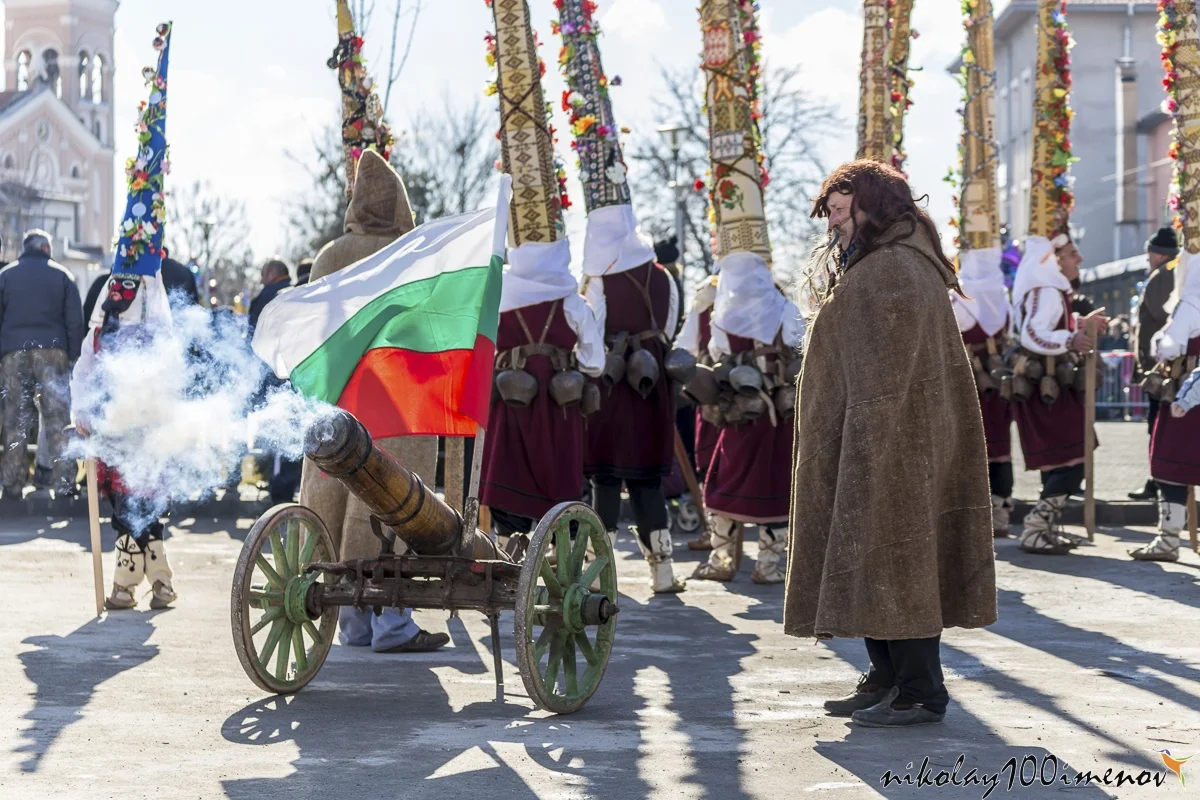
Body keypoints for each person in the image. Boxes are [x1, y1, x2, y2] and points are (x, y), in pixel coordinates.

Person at [784, 160, 997, 727]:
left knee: (899, 558)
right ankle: (885, 676)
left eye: (838, 210)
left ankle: (922, 692)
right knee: (870, 554)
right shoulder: (884, 262)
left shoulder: (896, 269)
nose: (831, 223)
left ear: (872, 208)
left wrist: (870, 445)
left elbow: (893, 378)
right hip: (872, 440)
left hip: (896, 447)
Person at [298, 149, 446, 652]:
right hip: (396, 399)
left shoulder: (328, 256)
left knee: (334, 498)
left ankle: (352, 624)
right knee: (395, 502)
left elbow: (312, 332)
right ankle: (393, 623)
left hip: (337, 396)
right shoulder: (411, 255)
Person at [479, 239, 605, 556]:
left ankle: (510, 559)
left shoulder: (498, 296)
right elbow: (594, 363)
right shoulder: (573, 303)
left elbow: (483, 348)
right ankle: (568, 560)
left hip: (511, 404)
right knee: (561, 475)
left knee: (511, 474)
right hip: (559, 407)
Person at [582, 231, 685, 594]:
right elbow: (669, 328)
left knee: (606, 477)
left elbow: (590, 330)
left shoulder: (600, 278)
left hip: (610, 384)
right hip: (651, 383)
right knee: (647, 478)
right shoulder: (664, 277)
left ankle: (596, 574)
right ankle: (663, 574)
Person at [690, 258, 801, 584]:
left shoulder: (724, 314)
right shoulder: (785, 308)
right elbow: (800, 345)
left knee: (728, 482)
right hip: (778, 414)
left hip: (739, 413)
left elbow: (713, 350)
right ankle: (767, 565)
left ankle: (722, 561)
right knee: (775, 484)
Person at [73, 272, 178, 609]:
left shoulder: (155, 336)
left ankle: (134, 585)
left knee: (142, 507)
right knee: (128, 506)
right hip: (117, 432)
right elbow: (83, 373)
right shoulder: (102, 335)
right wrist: (82, 411)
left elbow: (171, 379)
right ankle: (152, 582)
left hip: (146, 434)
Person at [1011, 234, 1109, 554]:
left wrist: (1080, 324)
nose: (1078, 259)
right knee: (1074, 456)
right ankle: (1036, 528)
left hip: (1048, 383)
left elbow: (1048, 322)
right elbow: (1033, 333)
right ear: (1053, 260)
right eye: (1071, 253)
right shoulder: (1048, 289)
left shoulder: (1050, 289)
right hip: (1047, 383)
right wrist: (1071, 339)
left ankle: (1044, 528)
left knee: (1061, 458)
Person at [0, 229, 85, 500]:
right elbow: (74, 321)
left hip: (14, 353)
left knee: (14, 419)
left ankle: (12, 483)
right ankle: (65, 484)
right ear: (46, 248)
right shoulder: (63, 276)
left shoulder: (5, 276)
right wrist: (73, 356)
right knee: (58, 420)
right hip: (54, 352)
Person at [1131, 247, 1200, 561]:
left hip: (1188, 394)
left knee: (1170, 463)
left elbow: (1169, 345)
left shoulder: (1191, 300)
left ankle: (1168, 540)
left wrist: (1160, 343)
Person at [953, 247, 1015, 535]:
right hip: (998, 379)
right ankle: (1000, 510)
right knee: (1000, 444)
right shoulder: (1003, 299)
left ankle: (973, 513)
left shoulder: (960, 298)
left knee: (969, 443)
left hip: (968, 381)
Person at [1129, 227, 1180, 501]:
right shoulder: (1168, 273)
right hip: (1161, 366)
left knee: (1158, 427)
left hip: (1161, 368)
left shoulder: (1163, 276)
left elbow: (1162, 315)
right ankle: (1159, 480)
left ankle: (1160, 482)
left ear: (1157, 254)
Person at [248, 259, 292, 334]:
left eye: (263, 274)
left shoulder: (268, 294)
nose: (261, 281)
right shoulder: (296, 291)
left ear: (272, 273)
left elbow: (254, 326)